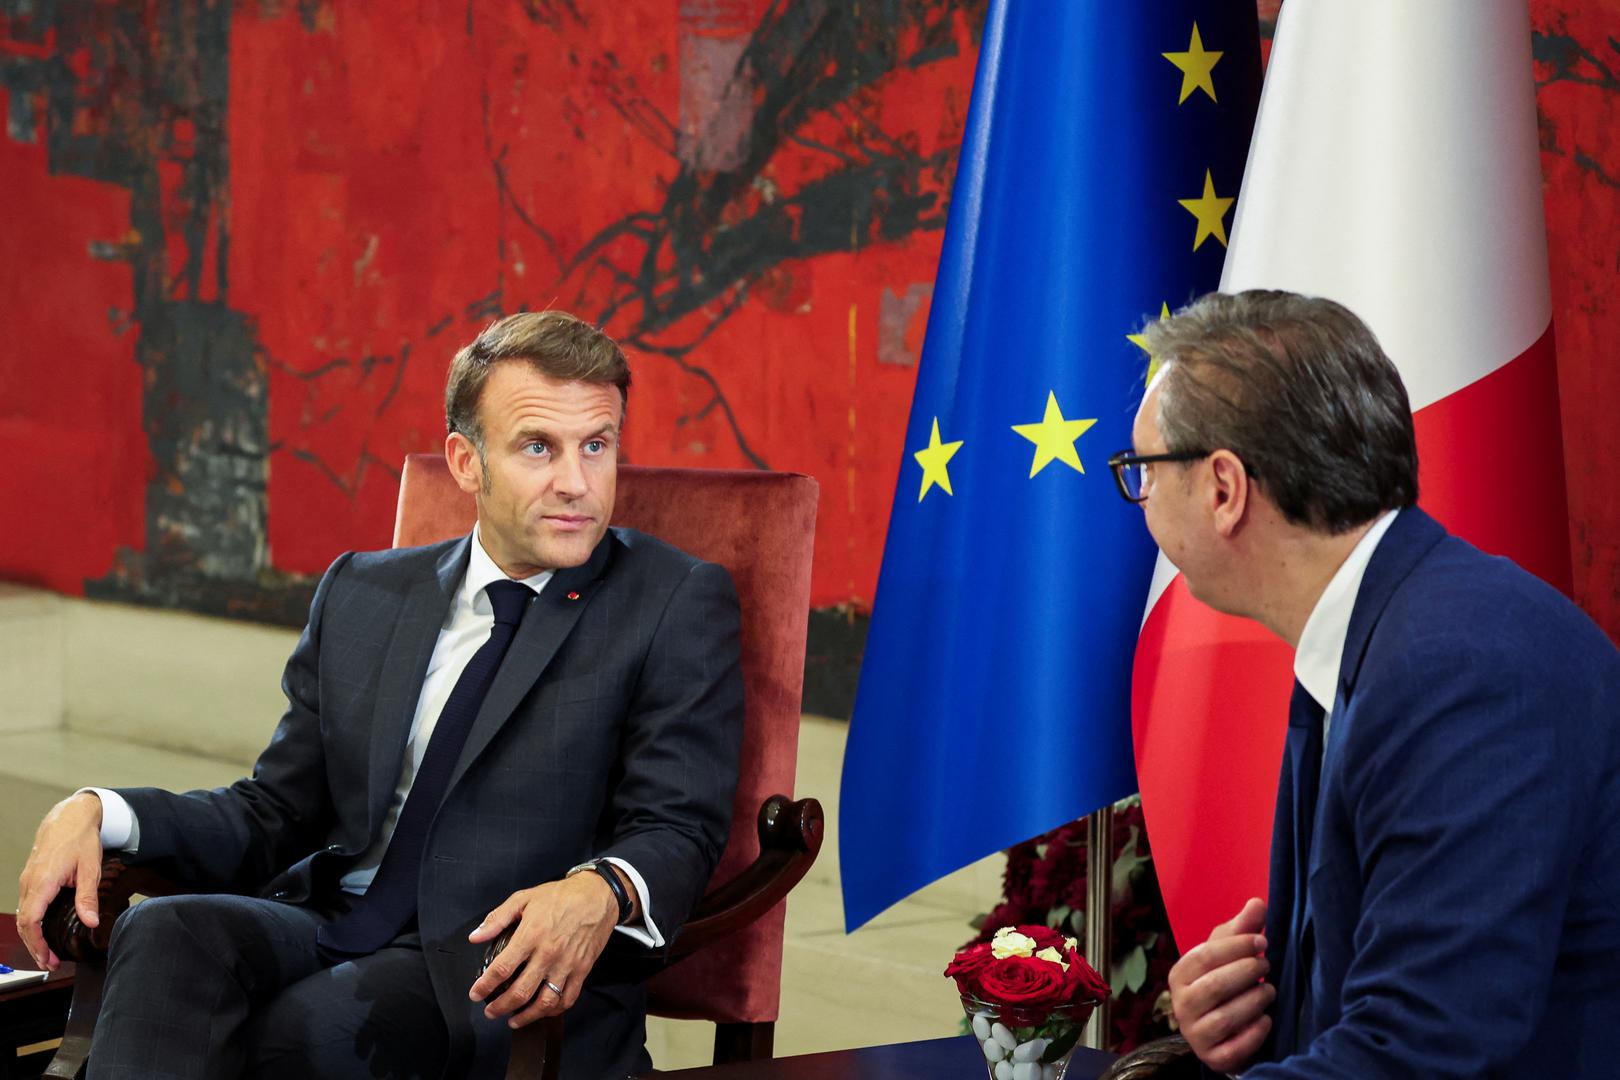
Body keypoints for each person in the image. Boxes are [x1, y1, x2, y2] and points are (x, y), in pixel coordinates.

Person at [15, 311, 745, 1079]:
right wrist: (98, 810)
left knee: (291, 1033)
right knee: (163, 933)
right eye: (538, 447)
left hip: (493, 961)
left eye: (596, 445)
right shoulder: (365, 590)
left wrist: (601, 890)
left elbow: (678, 824)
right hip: (333, 918)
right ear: (467, 462)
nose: (576, 482)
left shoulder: (669, 601)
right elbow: (276, 809)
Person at [1108, 290, 1620, 1078]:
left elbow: (1424, 1049)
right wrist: (1244, 1027)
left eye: (1142, 472)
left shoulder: (1458, 667)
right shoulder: (1391, 627)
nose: (1139, 499)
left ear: (1222, 488)